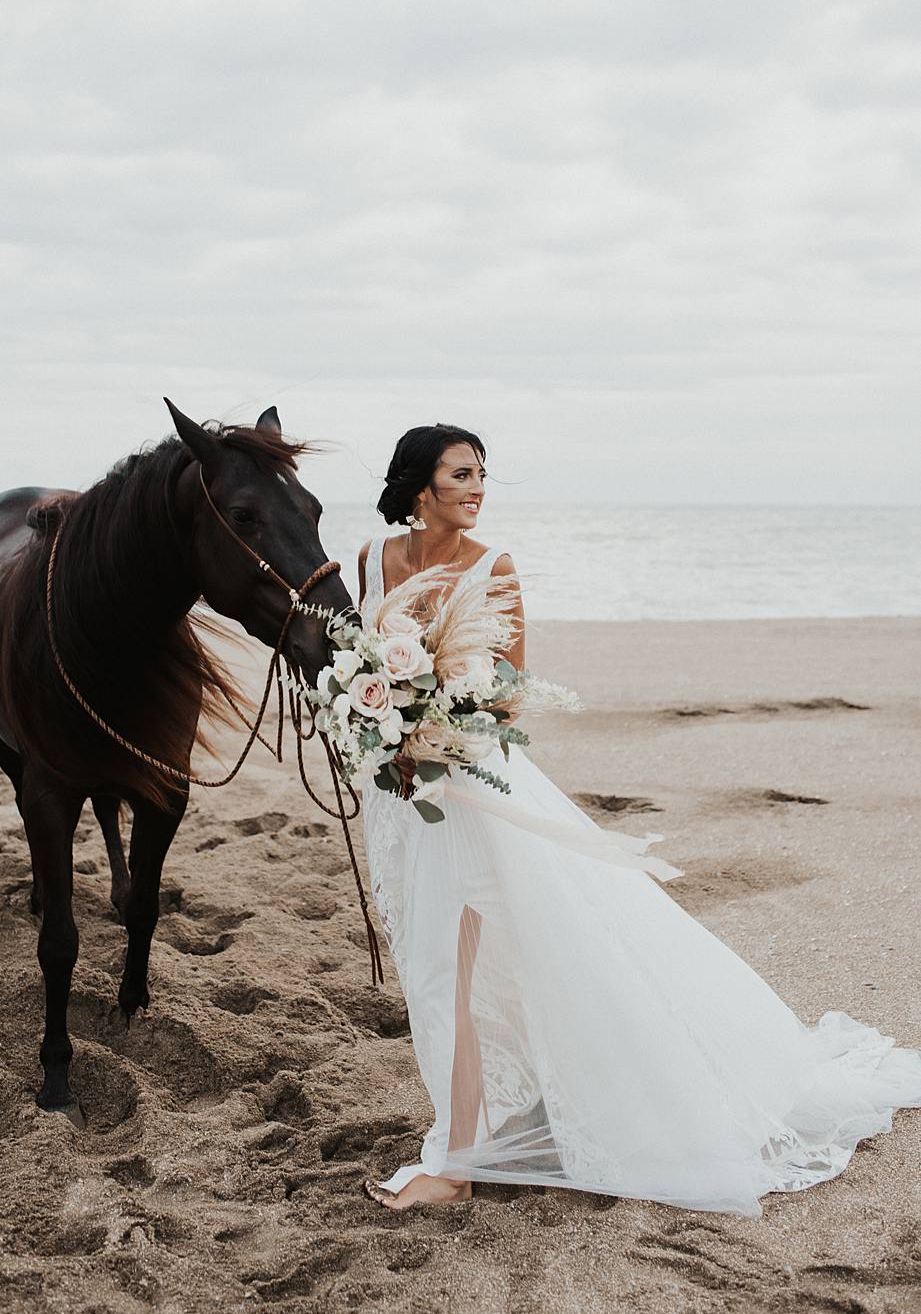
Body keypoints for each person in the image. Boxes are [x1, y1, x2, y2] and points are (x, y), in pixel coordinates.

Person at [355, 423, 921, 1215]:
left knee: (464, 960)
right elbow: (360, 663)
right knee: (442, 960)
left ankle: (454, 1162)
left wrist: (436, 725)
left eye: (483, 473)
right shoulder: (371, 561)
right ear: (419, 486)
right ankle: (487, 1118)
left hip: (475, 786)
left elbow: (513, 687)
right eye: (462, 474)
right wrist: (375, 717)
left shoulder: (494, 566)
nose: (479, 487)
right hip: (402, 791)